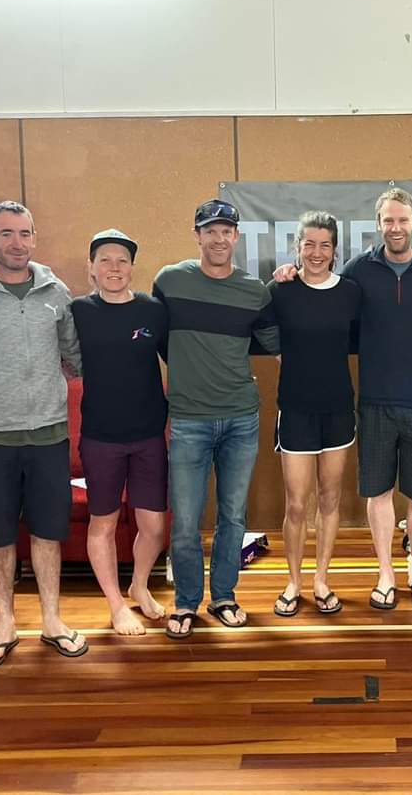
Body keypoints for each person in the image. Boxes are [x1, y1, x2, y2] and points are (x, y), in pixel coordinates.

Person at [277, 188, 412, 608]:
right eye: (388, 220)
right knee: (378, 495)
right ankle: (385, 575)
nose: (395, 228)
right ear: (378, 224)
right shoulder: (358, 272)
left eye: (403, 220)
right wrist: (288, 273)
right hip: (374, 402)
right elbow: (317, 290)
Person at [0, 201, 88, 664]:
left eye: (24, 233)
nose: (17, 243)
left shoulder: (56, 292)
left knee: (48, 531)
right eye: (6, 234)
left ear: (34, 238)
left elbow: (74, 355)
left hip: (49, 435)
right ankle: (5, 624)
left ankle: (52, 620)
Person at [153, 199, 280, 638]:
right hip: (188, 419)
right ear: (197, 235)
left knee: (233, 517)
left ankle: (223, 596)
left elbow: (274, 341)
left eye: (226, 231)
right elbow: (159, 340)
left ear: (236, 237)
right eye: (210, 231)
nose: (219, 238)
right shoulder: (170, 281)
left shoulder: (254, 291)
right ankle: (186, 602)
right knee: (186, 522)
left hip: (241, 419)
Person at [71, 229, 170, 635]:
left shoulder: (152, 310)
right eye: (105, 260)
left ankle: (139, 586)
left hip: (148, 435)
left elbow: (178, 358)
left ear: (132, 268)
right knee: (104, 524)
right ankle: (115, 604)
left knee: (154, 526)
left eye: (122, 261)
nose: (114, 268)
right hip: (101, 437)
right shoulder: (78, 311)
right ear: (92, 268)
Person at [267, 212, 360, 616]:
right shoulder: (280, 290)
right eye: (309, 244)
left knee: (329, 498)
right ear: (298, 247)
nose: (317, 252)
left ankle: (322, 579)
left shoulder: (350, 293)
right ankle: (294, 581)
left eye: (325, 245)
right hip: (295, 410)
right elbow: (261, 331)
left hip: (338, 409)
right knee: (296, 505)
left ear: (335, 250)